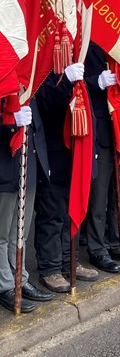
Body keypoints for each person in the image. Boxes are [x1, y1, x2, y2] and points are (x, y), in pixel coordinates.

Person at [0, 98, 53, 313]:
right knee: (0, 233)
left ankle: (20, 277)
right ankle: (5, 286)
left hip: (27, 161)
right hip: (2, 161)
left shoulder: (28, 77)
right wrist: (9, 122)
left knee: (20, 232)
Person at [35, 63, 99, 293]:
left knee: (72, 209)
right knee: (52, 212)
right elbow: (43, 102)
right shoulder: (43, 66)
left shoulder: (77, 62)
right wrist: (64, 82)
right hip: (53, 149)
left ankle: (68, 260)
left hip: (75, 148)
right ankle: (50, 267)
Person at [85, 42, 120, 273]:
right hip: (99, 128)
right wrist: (97, 82)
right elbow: (74, 84)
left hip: (116, 125)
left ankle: (115, 240)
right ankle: (97, 248)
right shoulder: (90, 43)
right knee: (99, 196)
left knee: (115, 193)